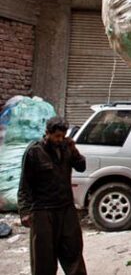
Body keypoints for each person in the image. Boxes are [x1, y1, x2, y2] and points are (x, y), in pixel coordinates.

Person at [18, 116, 87, 275]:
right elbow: (25, 185)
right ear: (47, 133)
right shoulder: (34, 152)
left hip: (66, 208)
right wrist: (25, 211)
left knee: (73, 251)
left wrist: (74, 149)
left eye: (62, 136)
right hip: (43, 211)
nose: (59, 140)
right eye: (56, 136)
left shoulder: (67, 147)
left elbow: (81, 167)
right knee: (44, 258)